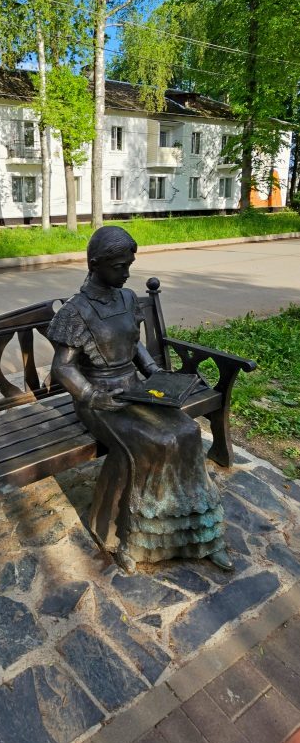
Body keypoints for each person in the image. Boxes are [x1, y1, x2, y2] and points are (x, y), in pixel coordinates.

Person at [47, 225, 232, 573]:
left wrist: (155, 373)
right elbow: (62, 368)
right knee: (155, 442)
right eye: (120, 266)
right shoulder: (76, 312)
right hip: (100, 400)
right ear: (95, 264)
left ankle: (202, 535)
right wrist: (92, 395)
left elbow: (134, 346)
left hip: (135, 388)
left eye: (129, 265)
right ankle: (127, 539)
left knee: (188, 432)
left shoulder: (128, 299)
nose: (127, 273)